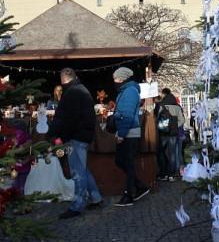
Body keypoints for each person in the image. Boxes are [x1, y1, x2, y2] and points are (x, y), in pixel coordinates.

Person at [50, 68, 102, 219]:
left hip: (76, 137)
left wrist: (59, 135)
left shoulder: (72, 93)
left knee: (78, 172)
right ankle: (96, 197)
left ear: (63, 79)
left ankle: (77, 206)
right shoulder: (81, 90)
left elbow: (68, 119)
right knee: (83, 169)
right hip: (83, 135)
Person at [112, 67, 150, 207]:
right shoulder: (126, 91)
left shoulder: (129, 92)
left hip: (129, 133)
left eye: (115, 78)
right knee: (121, 161)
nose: (114, 81)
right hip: (126, 131)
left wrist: (121, 134)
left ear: (122, 78)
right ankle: (140, 186)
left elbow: (127, 115)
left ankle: (129, 195)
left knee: (127, 163)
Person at [156, 88, 185, 181]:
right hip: (173, 133)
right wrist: (176, 126)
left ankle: (164, 173)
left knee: (162, 153)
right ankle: (171, 175)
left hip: (163, 133)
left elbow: (157, 119)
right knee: (172, 154)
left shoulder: (162, 106)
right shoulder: (177, 107)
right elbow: (182, 120)